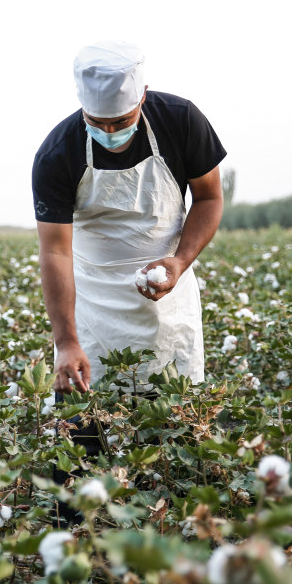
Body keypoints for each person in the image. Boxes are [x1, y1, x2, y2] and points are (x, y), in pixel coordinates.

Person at [32, 40, 226, 395]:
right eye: (97, 122)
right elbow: (55, 251)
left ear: (143, 97)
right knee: (88, 432)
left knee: (173, 421)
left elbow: (209, 197)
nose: (109, 133)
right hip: (94, 302)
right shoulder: (57, 153)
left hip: (170, 295)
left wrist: (180, 261)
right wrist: (67, 343)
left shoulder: (181, 121)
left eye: (121, 121)